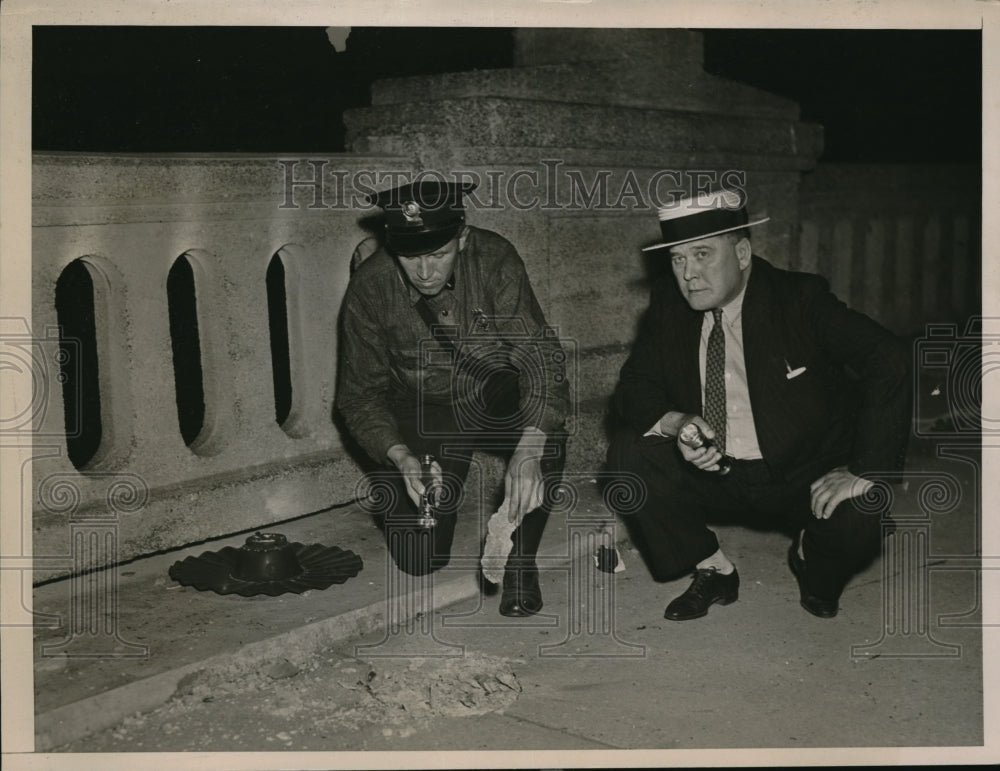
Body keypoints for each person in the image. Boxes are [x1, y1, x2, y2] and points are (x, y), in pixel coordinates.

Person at [606, 187, 910, 620]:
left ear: (743, 252)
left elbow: (889, 358)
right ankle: (713, 569)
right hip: (717, 472)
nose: (688, 274)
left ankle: (811, 555)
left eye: (703, 255)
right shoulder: (668, 307)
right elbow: (634, 386)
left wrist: (864, 469)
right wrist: (679, 424)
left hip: (802, 472)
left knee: (864, 509)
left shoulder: (800, 299)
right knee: (628, 454)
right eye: (678, 258)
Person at [336, 179, 569, 617]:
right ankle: (448, 483)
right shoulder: (370, 287)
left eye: (438, 255)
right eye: (410, 257)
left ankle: (521, 561)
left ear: (462, 238)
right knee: (418, 558)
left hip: (490, 393)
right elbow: (359, 396)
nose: (425, 273)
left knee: (547, 430)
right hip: (423, 407)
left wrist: (530, 448)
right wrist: (400, 456)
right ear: (390, 245)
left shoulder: (495, 258)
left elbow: (540, 356)